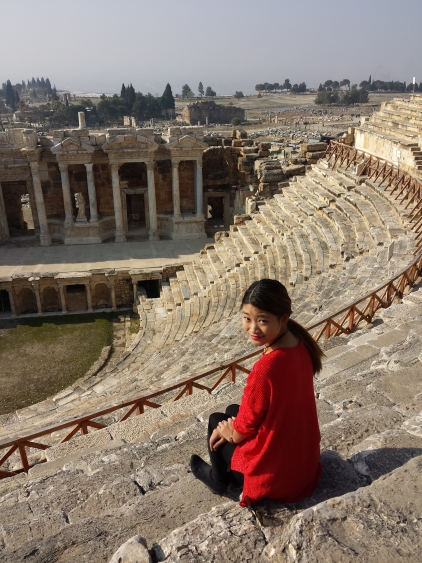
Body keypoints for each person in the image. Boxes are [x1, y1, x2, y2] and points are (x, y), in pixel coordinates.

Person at [190, 279, 324, 507]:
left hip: (278, 478)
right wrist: (234, 425)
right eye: (247, 318)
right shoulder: (299, 342)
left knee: (215, 421)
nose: (253, 329)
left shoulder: (266, 369)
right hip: (302, 464)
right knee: (232, 410)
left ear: (283, 318)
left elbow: (241, 431)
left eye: (262, 320)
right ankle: (227, 473)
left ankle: (219, 481)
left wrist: (229, 432)